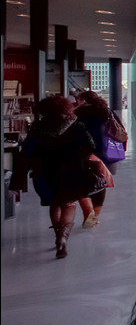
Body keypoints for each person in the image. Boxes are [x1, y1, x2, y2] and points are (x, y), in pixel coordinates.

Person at [9, 95, 112, 258]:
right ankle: (63, 237)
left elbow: (26, 155)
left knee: (54, 203)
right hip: (72, 172)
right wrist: (78, 158)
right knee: (69, 204)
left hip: (44, 174)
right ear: (65, 108)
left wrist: (16, 183)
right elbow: (89, 146)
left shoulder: (37, 128)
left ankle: (58, 235)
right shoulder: (75, 124)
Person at [74, 90, 126, 229]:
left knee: (82, 183)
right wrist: (122, 148)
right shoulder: (106, 112)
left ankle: (88, 211)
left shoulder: (77, 114)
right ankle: (95, 215)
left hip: (83, 151)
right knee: (100, 182)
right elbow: (120, 129)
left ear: (83, 100)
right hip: (104, 151)